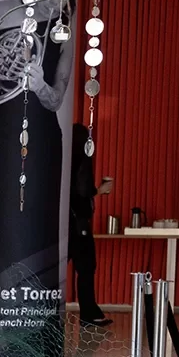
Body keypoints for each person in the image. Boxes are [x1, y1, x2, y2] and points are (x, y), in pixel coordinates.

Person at [69, 127, 109, 326]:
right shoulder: (82, 157)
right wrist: (99, 190)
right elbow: (83, 189)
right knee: (86, 266)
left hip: (63, 220)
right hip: (78, 222)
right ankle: (89, 312)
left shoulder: (62, 155)